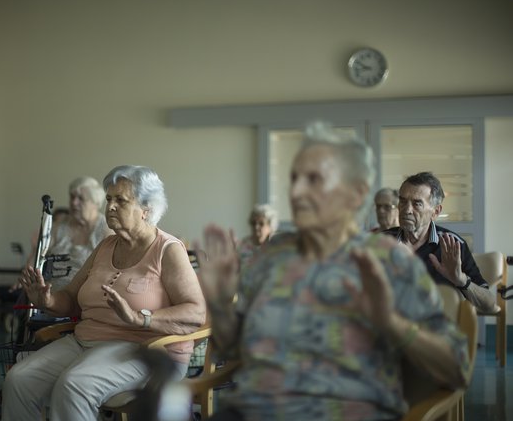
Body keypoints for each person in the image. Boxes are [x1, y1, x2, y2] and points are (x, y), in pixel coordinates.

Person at [196, 125, 469, 421]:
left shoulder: (389, 261)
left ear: (356, 193)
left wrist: (390, 322)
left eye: (315, 180)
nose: (298, 192)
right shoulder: (276, 256)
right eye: (295, 179)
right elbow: (234, 349)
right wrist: (222, 304)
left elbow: (455, 369)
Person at [2, 165, 206, 421]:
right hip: (87, 342)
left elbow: (195, 313)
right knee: (19, 379)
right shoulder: (106, 245)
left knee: (74, 384)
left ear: (147, 209)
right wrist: (48, 300)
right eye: (109, 199)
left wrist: (140, 318)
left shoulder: (167, 250)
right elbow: (72, 299)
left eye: (120, 200)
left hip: (145, 349)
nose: (110, 206)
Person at [383, 171, 496, 314]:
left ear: (435, 212)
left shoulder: (453, 245)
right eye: (403, 201)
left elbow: (489, 304)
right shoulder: (380, 242)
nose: (407, 210)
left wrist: (461, 280)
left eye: (417, 203)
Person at [25, 176, 112, 292]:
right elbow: (37, 255)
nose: (74, 202)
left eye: (81, 198)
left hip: (87, 296)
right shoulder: (60, 225)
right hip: (52, 295)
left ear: (95, 203)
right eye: (72, 197)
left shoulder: (107, 229)